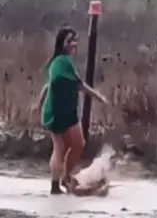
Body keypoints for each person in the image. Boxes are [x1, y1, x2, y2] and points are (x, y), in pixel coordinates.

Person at [34, 25, 108, 195]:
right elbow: (80, 86)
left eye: (75, 40)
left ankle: (57, 183)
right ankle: (65, 177)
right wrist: (98, 97)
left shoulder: (55, 63)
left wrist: (39, 104)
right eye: (69, 40)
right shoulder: (64, 63)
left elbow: (48, 85)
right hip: (63, 112)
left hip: (53, 111)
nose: (73, 43)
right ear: (62, 43)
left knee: (61, 146)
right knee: (75, 144)